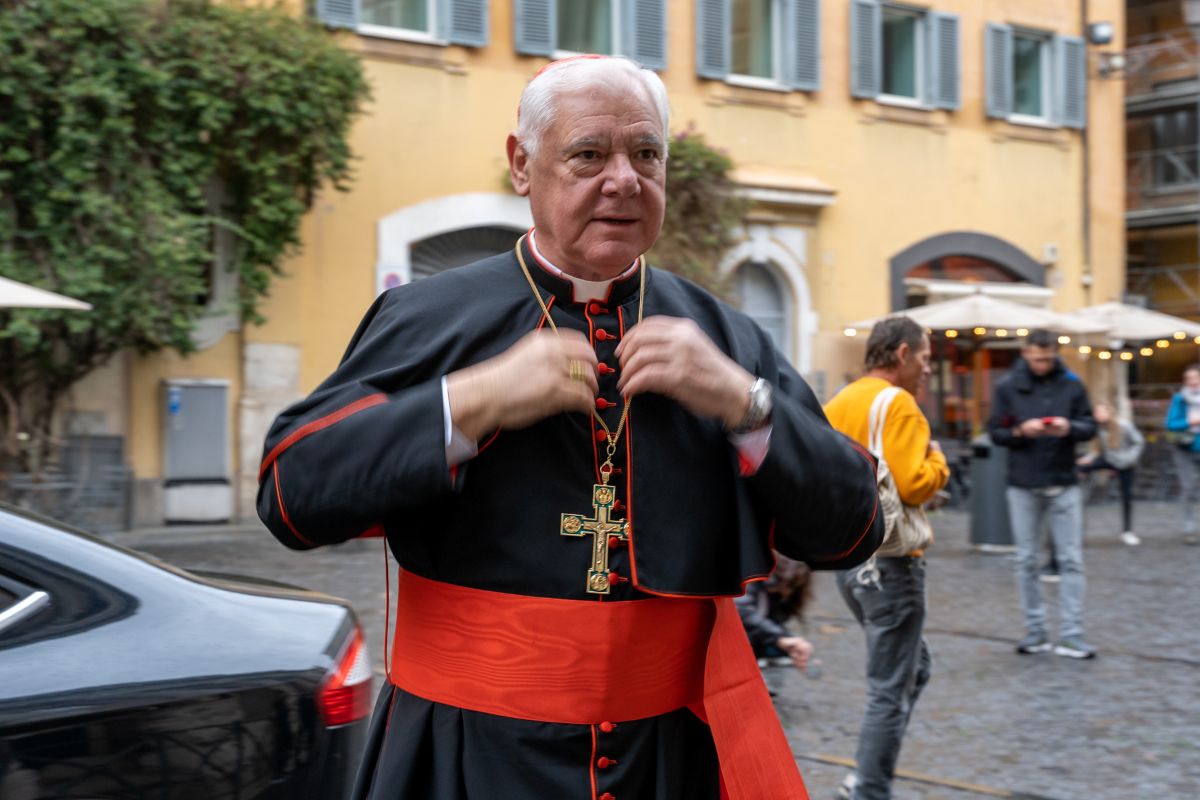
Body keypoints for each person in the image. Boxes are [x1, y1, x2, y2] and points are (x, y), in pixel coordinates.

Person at [256, 56, 882, 800]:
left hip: (668, 759)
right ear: (523, 165)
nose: (624, 180)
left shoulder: (725, 337)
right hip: (467, 751)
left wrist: (743, 402)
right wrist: (474, 399)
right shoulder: (427, 316)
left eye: (645, 154)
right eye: (589, 154)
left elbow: (852, 529)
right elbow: (291, 496)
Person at [823, 316, 949, 800]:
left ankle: (867, 771)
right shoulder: (899, 403)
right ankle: (868, 788)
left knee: (915, 667)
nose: (928, 369)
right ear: (901, 354)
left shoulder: (839, 401)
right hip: (892, 562)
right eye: (925, 359)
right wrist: (939, 461)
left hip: (850, 561)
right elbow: (915, 483)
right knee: (890, 688)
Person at [988, 329, 1097, 659]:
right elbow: (996, 432)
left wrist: (1070, 428)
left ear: (1055, 354)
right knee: (1026, 559)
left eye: (1047, 359)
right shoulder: (1007, 386)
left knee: (1071, 559)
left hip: (1064, 480)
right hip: (1023, 482)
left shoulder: (1072, 383)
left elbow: (1089, 425)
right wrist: (1022, 430)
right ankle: (1035, 631)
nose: (1042, 365)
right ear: (1025, 353)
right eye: (1037, 359)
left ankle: (1072, 634)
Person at [1077, 401, 1144, 546]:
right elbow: (1097, 451)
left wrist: (1129, 459)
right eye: (1096, 412)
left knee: (1126, 497)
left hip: (1126, 463)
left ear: (1109, 412)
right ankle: (1077, 526)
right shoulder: (1097, 428)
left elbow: (1138, 442)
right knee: (1081, 467)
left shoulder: (1123, 425)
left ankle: (1127, 531)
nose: (1098, 415)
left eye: (1101, 412)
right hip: (1108, 460)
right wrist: (1087, 460)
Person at [736, 555, 814, 668]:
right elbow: (742, 611)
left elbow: (772, 623)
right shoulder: (753, 576)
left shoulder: (782, 596)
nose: (786, 591)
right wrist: (778, 637)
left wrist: (787, 638)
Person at [1164, 365, 1200, 545]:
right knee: (1189, 488)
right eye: (1189, 378)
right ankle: (1189, 528)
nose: (1192, 381)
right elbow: (1170, 424)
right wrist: (1190, 422)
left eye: (1195, 377)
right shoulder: (1180, 399)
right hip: (1184, 448)